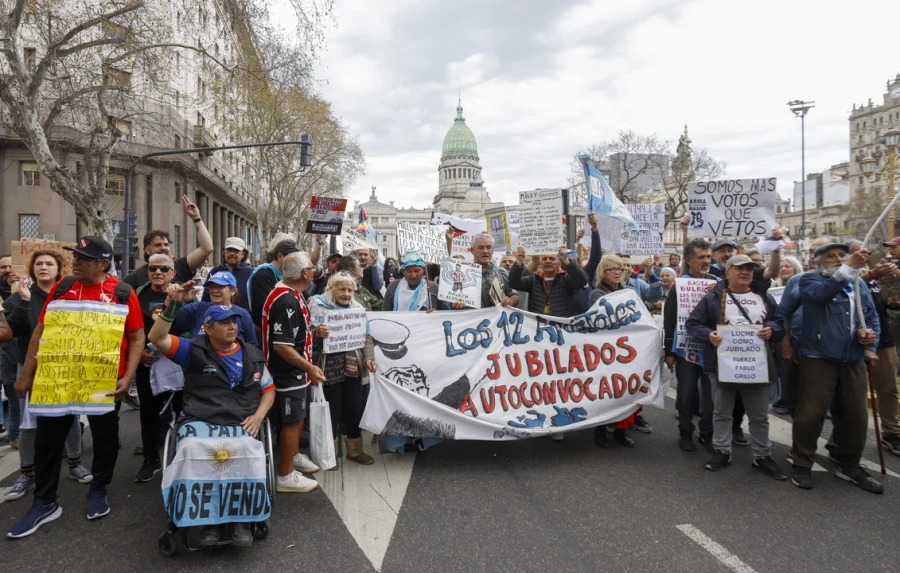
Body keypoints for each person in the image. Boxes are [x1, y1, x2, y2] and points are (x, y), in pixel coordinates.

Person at [8, 237, 144, 539]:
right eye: (75, 256)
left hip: (104, 384)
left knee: (106, 439)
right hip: (59, 381)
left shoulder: (122, 293)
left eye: (83, 258)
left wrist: (129, 375)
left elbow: (136, 337)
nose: (75, 262)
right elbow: (39, 334)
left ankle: (98, 489)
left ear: (103, 264)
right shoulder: (62, 288)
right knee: (47, 441)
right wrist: (26, 375)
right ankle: (45, 501)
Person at [147, 288, 275, 547]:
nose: (232, 327)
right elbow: (157, 337)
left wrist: (259, 416)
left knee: (246, 449)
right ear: (207, 328)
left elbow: (268, 390)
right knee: (193, 450)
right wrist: (173, 306)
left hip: (241, 418)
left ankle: (239, 519)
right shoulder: (190, 350)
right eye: (224, 323)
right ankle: (207, 521)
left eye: (234, 322)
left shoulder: (252, 354)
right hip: (200, 418)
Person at [791, 242, 883, 493]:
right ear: (819, 262)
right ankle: (801, 463)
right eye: (830, 256)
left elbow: (871, 315)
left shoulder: (859, 283)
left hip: (852, 358)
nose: (838, 259)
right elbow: (822, 294)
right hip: (818, 356)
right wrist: (848, 269)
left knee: (856, 416)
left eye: (842, 255)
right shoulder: (809, 281)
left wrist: (870, 340)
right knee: (811, 413)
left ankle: (849, 465)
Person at [685, 255, 786, 479]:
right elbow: (693, 324)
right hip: (722, 366)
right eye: (739, 268)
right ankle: (722, 451)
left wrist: (771, 328)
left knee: (759, 415)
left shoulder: (764, 297)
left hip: (756, 366)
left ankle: (762, 455)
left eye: (749, 269)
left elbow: (779, 323)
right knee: (722, 412)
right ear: (727, 272)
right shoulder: (713, 297)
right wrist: (709, 334)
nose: (746, 273)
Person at [3, 251, 94, 500]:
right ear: (33, 269)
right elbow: (12, 331)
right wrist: (22, 301)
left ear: (58, 269)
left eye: (49, 263)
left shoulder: (70, 294)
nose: (44, 267)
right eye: (39, 263)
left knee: (71, 416)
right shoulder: (19, 298)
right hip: (30, 367)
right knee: (28, 421)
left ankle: (74, 463)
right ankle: (27, 473)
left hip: (65, 367)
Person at [262, 252, 327, 493]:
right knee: (292, 420)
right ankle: (286, 474)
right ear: (304, 274)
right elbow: (281, 346)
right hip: (287, 372)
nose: (313, 270)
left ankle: (295, 455)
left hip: (296, 371)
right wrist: (309, 366)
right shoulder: (285, 300)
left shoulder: (292, 294)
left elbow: (295, 332)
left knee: (298, 417)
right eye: (311, 267)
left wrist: (313, 331)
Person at [309, 272, 377, 466]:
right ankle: (330, 455)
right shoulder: (317, 306)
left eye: (350, 290)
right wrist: (316, 333)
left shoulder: (357, 309)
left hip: (352, 367)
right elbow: (305, 335)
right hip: (327, 367)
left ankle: (355, 452)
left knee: (354, 409)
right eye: (342, 289)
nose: (346, 294)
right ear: (331, 289)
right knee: (333, 411)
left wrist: (369, 359)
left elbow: (366, 338)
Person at [664, 238, 718, 453]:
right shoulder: (679, 284)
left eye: (708, 256)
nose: (706, 260)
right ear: (688, 260)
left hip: (711, 347)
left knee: (711, 395)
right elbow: (669, 319)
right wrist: (669, 352)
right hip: (686, 349)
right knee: (686, 393)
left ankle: (707, 433)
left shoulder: (717, 281)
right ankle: (685, 432)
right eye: (701, 257)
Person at [588, 255, 646, 447]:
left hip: (626, 350)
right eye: (611, 269)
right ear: (602, 272)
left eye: (619, 269)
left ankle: (622, 431)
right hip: (605, 351)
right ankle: (601, 430)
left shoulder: (629, 292)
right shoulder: (597, 294)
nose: (616, 272)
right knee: (605, 392)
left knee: (625, 391)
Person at [123, 194, 213, 288]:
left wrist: (196, 218)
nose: (163, 248)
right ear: (147, 250)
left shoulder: (180, 267)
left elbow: (207, 248)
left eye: (166, 244)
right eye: (158, 245)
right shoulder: (134, 278)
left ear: (173, 273)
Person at [174, 271, 256, 344]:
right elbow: (171, 324)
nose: (215, 290)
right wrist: (176, 302)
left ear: (233, 291)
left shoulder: (242, 314)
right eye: (212, 287)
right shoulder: (197, 308)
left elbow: (252, 347)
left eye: (220, 286)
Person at [510, 244, 587, 317]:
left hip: (561, 326)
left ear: (559, 263)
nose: (548, 261)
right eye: (544, 259)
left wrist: (566, 261)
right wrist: (519, 262)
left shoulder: (565, 278)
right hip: (537, 326)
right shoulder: (533, 279)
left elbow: (582, 281)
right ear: (540, 263)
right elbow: (514, 283)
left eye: (552, 259)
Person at [248, 238, 301, 335]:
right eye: (294, 260)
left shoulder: (287, 276)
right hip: (267, 332)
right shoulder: (263, 275)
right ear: (280, 257)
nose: (297, 264)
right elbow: (269, 307)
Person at [201, 237, 254, 314]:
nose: (232, 253)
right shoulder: (215, 271)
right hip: (217, 319)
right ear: (224, 252)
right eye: (229, 250)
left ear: (243, 254)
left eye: (236, 251)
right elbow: (205, 299)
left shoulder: (251, 273)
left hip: (243, 320)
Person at [466, 234, 519, 309]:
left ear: (493, 250)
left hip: (496, 319)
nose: (485, 251)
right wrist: (458, 304)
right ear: (472, 250)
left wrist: (509, 301)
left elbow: (514, 295)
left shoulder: (501, 272)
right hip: (472, 318)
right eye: (480, 248)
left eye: (488, 247)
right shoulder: (464, 272)